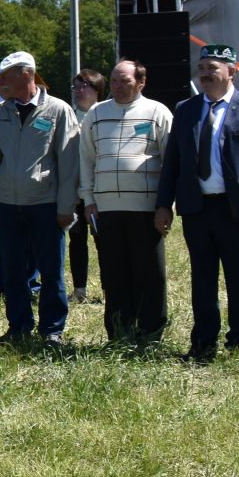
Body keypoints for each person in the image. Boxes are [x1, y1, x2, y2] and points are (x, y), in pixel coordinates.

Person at [154, 44, 239, 363]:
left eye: (213, 68)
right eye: (202, 68)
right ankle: (203, 345)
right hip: (197, 209)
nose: (206, 74)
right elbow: (173, 163)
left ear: (232, 72)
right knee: (203, 279)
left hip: (237, 211)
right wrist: (164, 204)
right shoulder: (186, 109)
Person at [0, 51, 80, 346]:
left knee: (51, 271)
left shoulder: (58, 111)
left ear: (26, 75)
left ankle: (52, 329)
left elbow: (69, 163)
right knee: (12, 272)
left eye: (4, 78)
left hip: (46, 205)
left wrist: (65, 208)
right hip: (8, 205)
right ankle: (18, 326)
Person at [78, 59, 173, 344]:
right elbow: (86, 159)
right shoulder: (96, 114)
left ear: (141, 83)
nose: (117, 87)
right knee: (115, 275)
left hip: (146, 210)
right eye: (114, 81)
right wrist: (88, 200)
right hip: (106, 209)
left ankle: (150, 334)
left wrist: (166, 205)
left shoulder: (157, 112)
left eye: (125, 81)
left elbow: (171, 163)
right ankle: (119, 333)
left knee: (150, 275)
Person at [66, 68, 105, 303]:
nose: (79, 91)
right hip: (74, 191)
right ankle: (79, 290)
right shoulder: (67, 116)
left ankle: (109, 287)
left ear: (97, 90)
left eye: (85, 86)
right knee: (77, 239)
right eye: (76, 87)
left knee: (104, 240)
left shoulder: (105, 115)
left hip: (100, 190)